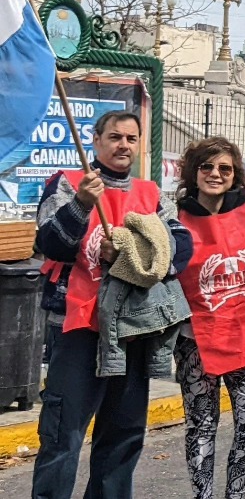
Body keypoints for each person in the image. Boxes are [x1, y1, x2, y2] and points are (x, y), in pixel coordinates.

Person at [33, 110, 195, 499]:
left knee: (123, 434)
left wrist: (128, 251)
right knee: (62, 433)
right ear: (96, 139)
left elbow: (181, 246)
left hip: (133, 330)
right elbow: (49, 244)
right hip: (77, 328)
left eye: (131, 138)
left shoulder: (150, 193)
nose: (124, 145)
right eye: (115, 137)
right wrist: (82, 206)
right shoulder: (69, 185)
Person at [174, 138, 245, 499]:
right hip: (195, 343)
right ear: (193, 172)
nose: (215, 174)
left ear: (235, 174)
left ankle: (236, 494)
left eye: (224, 168)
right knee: (201, 427)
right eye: (206, 167)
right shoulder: (174, 221)